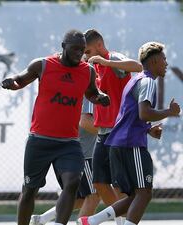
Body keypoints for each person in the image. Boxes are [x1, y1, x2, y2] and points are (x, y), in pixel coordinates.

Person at [1, 29, 110, 225]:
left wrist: (99, 97)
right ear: (63, 47)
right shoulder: (43, 65)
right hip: (40, 140)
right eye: (75, 49)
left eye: (82, 50)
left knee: (73, 183)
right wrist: (12, 83)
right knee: (29, 190)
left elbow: (92, 93)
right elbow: (21, 79)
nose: (79, 54)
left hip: (69, 143)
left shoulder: (88, 71)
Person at [77, 42, 180, 225]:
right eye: (163, 59)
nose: (166, 63)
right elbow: (144, 112)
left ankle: (91, 221)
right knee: (144, 192)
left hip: (120, 143)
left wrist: (148, 129)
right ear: (154, 61)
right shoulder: (147, 81)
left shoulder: (136, 79)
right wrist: (169, 112)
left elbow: (130, 115)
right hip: (130, 144)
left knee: (133, 195)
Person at [83, 29, 142, 219]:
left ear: (99, 46)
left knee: (119, 184)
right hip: (102, 133)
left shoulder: (113, 58)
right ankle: (121, 218)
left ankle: (125, 220)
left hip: (118, 132)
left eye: (88, 51)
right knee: (99, 183)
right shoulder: (91, 68)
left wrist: (107, 62)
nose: (86, 56)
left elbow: (138, 66)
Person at [29, 97, 100, 225]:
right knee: (93, 196)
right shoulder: (90, 91)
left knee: (80, 198)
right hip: (85, 153)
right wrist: (110, 132)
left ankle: (42, 219)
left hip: (77, 150)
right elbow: (84, 121)